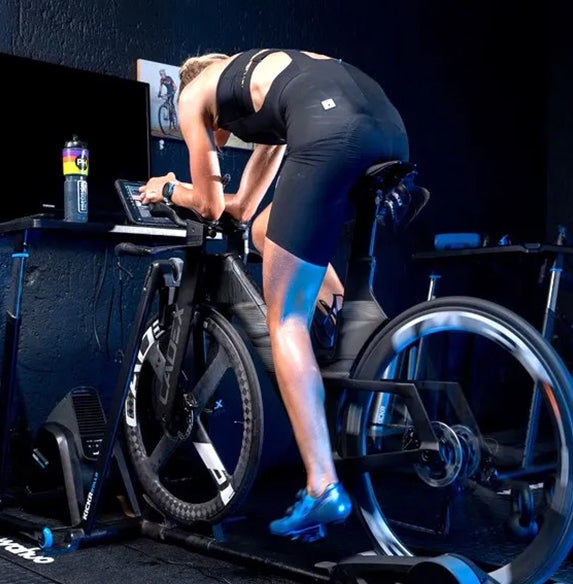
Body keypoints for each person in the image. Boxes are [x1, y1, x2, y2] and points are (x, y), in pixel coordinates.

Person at [137, 49, 409, 540]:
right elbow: (241, 210)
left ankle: (322, 484)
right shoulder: (268, 92)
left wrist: (166, 187)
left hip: (332, 128)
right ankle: (353, 341)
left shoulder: (194, 93)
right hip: (387, 126)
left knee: (286, 318)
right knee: (270, 231)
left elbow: (210, 202)